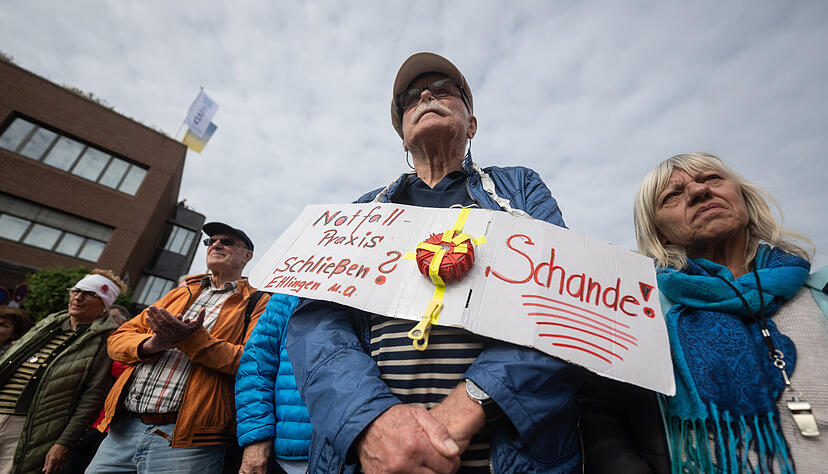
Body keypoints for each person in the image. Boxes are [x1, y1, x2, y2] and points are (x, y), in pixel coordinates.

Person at [287, 52, 584, 473]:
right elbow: (317, 322)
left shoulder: (520, 189)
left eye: (444, 89)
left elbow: (561, 297)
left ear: (472, 124)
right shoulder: (362, 212)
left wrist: (470, 404)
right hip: (377, 459)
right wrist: (370, 422)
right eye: (409, 98)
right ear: (402, 137)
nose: (425, 96)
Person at [580, 152, 827, 473]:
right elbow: (603, 420)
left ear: (743, 198)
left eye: (712, 178)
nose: (699, 191)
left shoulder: (821, 294)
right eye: (671, 196)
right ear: (660, 232)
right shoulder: (632, 312)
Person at [86, 222, 269, 473]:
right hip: (122, 430)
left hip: (189, 442)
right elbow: (117, 341)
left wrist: (191, 340)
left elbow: (251, 362)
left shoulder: (259, 302)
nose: (215, 244)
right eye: (210, 241)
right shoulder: (179, 293)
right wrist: (153, 344)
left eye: (226, 241)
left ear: (247, 256)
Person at [0, 269, 124, 474]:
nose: (78, 297)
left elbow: (92, 396)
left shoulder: (106, 339)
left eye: (89, 294)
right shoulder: (49, 323)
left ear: (104, 303)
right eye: (75, 290)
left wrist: (64, 442)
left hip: (29, 426)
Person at [235, 293, 311, 474]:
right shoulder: (290, 294)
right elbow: (256, 366)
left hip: (354, 451)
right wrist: (257, 438)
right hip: (289, 456)